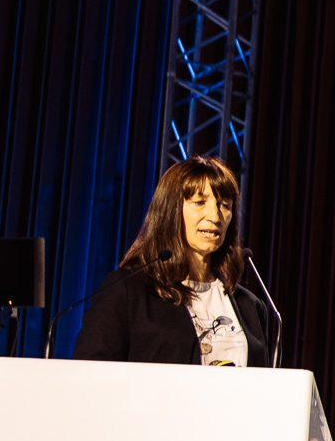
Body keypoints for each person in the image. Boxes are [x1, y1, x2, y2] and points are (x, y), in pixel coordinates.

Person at [72, 156, 273, 367]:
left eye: (224, 205)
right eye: (199, 202)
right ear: (171, 210)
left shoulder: (251, 306)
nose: (215, 216)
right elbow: (88, 374)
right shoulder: (128, 291)